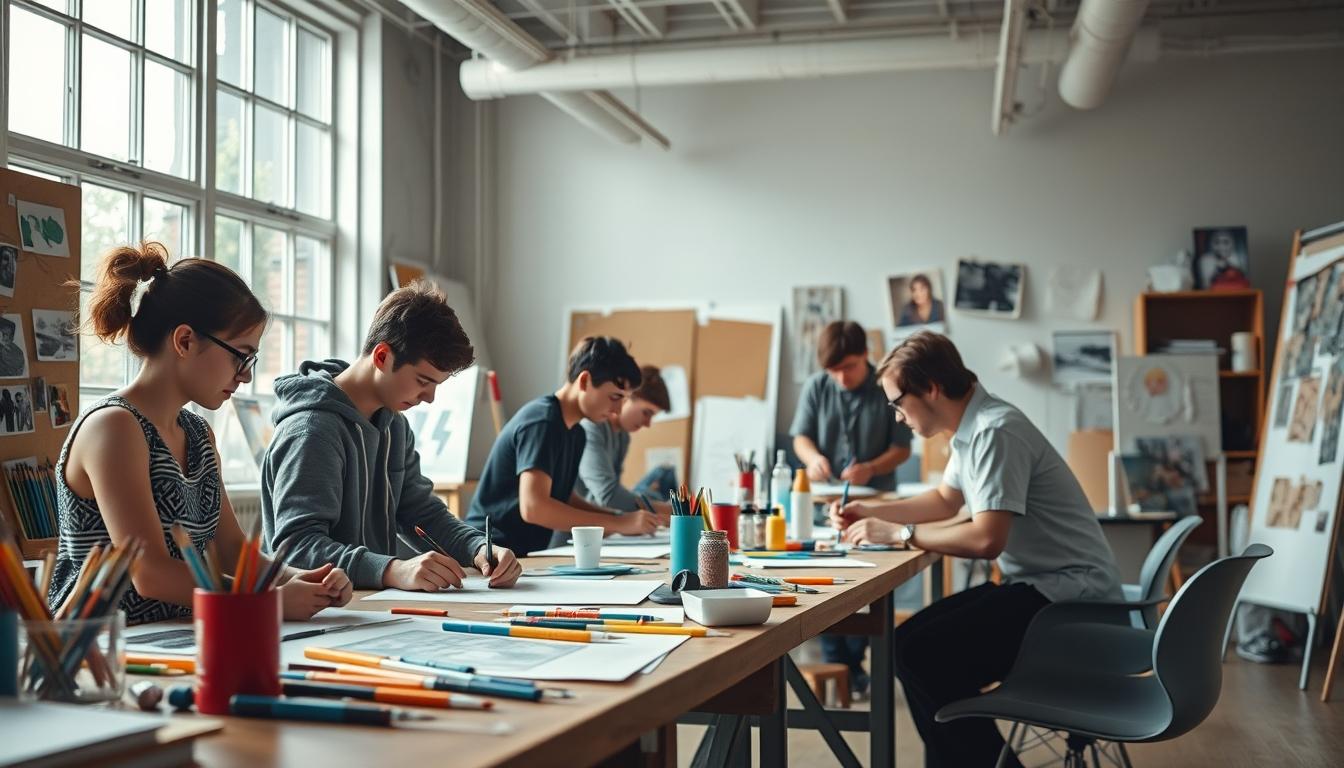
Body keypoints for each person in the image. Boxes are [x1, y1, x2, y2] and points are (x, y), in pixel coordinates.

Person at [828, 331, 1122, 768]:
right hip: (1048, 587)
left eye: (897, 402)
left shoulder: (994, 431)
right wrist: (871, 509)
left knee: (919, 654)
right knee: (908, 646)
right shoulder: (974, 426)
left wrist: (899, 533)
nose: (897, 417)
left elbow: (987, 539)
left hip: (1072, 602)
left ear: (930, 388)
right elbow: (947, 500)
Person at [47, 242, 352, 624]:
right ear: (185, 341)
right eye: (240, 355)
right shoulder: (114, 427)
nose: (246, 374)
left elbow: (231, 551)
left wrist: (301, 580)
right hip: (98, 648)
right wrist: (266, 600)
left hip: (175, 637)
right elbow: (150, 573)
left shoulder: (198, 433)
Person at [262, 280, 522, 592]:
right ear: (382, 356)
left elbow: (420, 512)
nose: (429, 399)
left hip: (370, 610)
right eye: (423, 381)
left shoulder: (394, 424)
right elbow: (296, 549)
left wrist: (479, 548)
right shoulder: (311, 430)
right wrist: (391, 570)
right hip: (318, 616)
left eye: (437, 385)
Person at [791, 320, 913, 697]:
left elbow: (904, 447)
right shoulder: (817, 386)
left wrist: (873, 467)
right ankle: (845, 669)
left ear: (865, 356)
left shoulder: (885, 387)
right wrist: (812, 460)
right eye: (833, 370)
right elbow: (801, 437)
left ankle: (852, 666)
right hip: (826, 502)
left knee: (870, 586)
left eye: (849, 368)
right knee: (826, 581)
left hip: (877, 503)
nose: (841, 378)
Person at [466, 337, 662, 556]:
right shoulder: (542, 421)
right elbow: (534, 508)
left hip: (523, 556)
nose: (617, 410)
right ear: (585, 381)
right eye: (615, 397)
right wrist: (618, 523)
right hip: (491, 552)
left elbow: (563, 496)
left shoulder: (576, 433)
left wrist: (619, 518)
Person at [575, 365, 676, 513]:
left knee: (660, 483)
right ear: (626, 397)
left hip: (603, 517)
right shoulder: (591, 427)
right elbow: (608, 496)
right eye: (646, 413)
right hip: (580, 526)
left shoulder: (623, 437)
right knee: (662, 477)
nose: (648, 424)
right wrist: (667, 511)